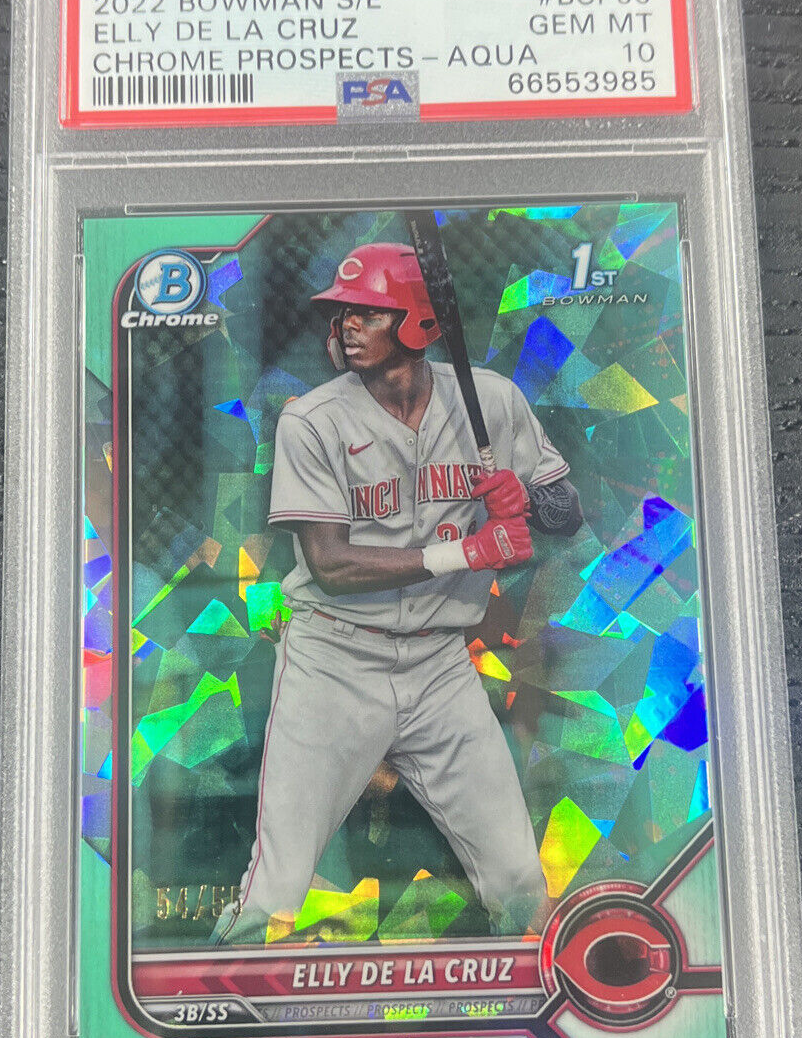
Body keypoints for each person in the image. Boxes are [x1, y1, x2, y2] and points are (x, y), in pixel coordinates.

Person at [212, 241, 582, 945]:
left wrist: (527, 500)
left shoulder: (491, 401)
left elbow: (566, 512)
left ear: (418, 322)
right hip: (333, 663)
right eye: (342, 313)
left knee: (519, 882)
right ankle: (205, 1007)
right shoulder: (313, 420)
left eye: (369, 312)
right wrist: (467, 551)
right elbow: (331, 566)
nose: (347, 325)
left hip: (441, 667)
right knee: (274, 894)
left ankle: (543, 1002)